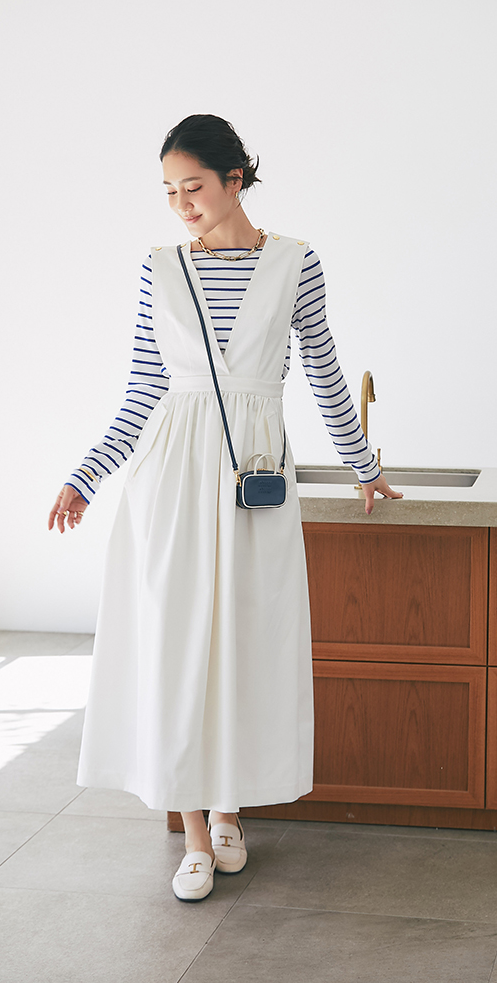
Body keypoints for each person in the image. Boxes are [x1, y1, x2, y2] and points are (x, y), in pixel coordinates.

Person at [48, 114, 403, 902]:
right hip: (172, 476)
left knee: (247, 641)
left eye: (194, 187)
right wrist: (86, 475)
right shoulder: (160, 268)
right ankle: (195, 833)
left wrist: (364, 465)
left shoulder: (295, 262)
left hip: (253, 474)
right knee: (176, 647)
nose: (182, 205)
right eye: (169, 192)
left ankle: (231, 808)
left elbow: (324, 372)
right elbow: (143, 390)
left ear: (234, 179)